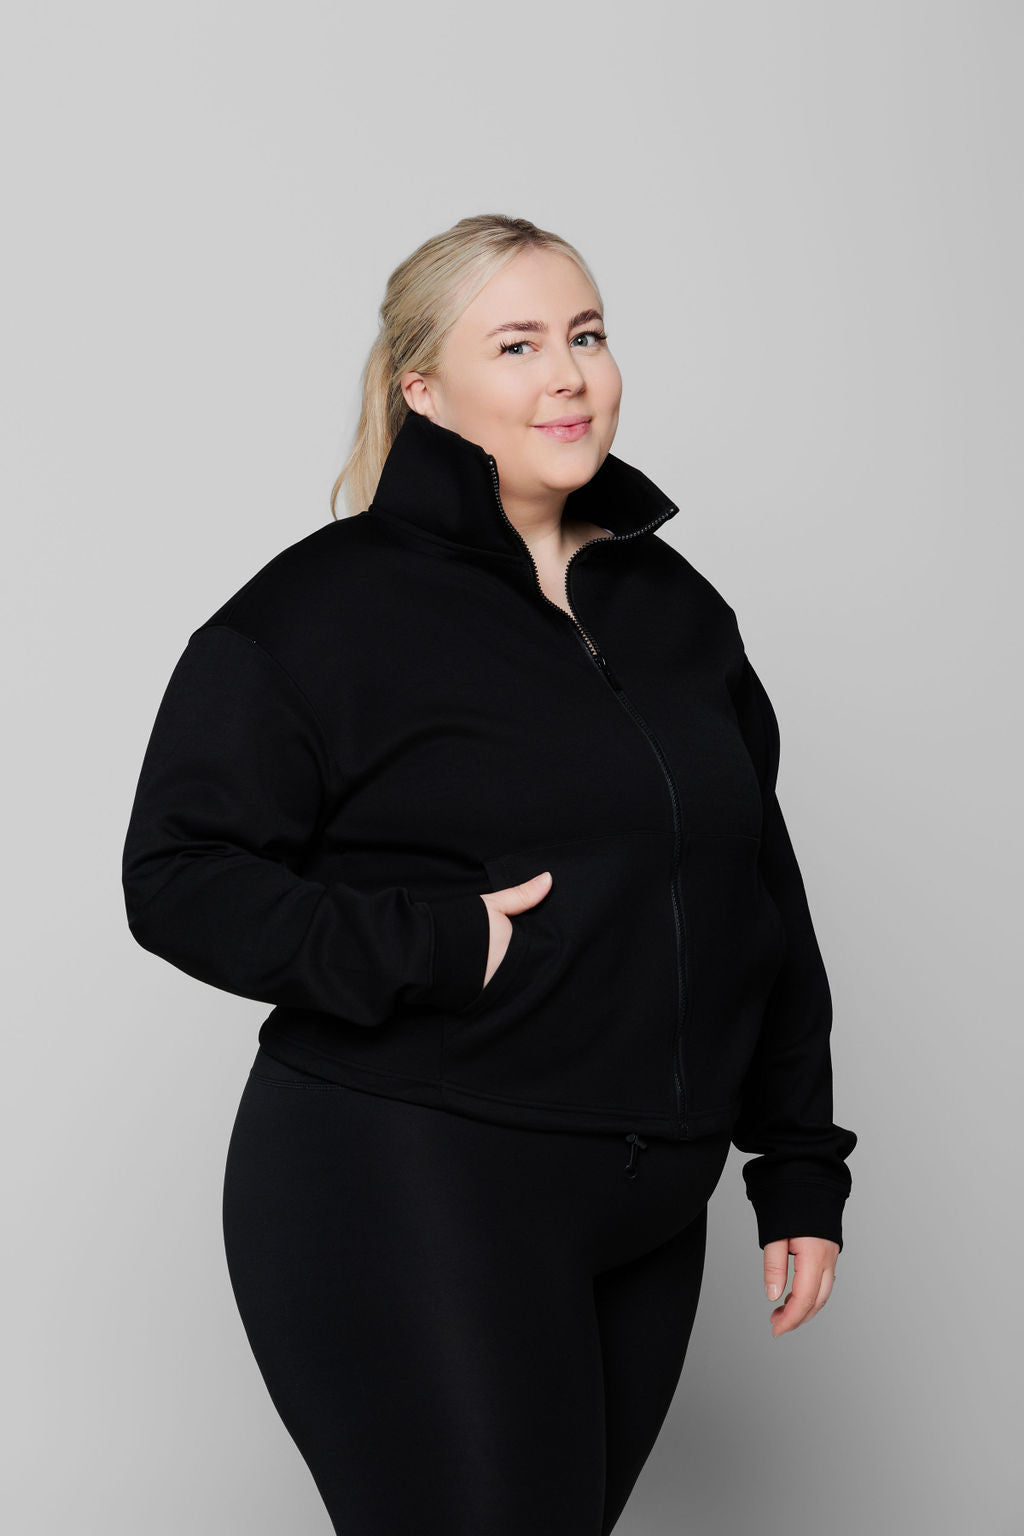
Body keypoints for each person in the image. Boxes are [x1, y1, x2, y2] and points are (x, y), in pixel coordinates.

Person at [121, 213, 858, 1535]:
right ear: (423, 388)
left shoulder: (677, 610)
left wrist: (796, 1160)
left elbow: (758, 887)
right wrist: (430, 942)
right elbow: (176, 875)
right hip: (412, 1176)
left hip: (649, 1202)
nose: (568, 376)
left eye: (587, 335)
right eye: (516, 345)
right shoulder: (325, 609)